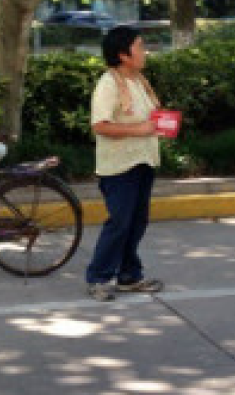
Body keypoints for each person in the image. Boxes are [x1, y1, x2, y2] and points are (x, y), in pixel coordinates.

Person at [85, 24, 165, 302]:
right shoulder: (108, 84)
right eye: (140, 46)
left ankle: (129, 275)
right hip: (119, 166)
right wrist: (138, 130)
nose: (145, 52)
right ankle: (98, 277)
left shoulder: (139, 81)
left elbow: (147, 120)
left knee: (137, 221)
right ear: (123, 55)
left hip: (143, 160)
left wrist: (163, 125)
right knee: (119, 223)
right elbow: (99, 125)